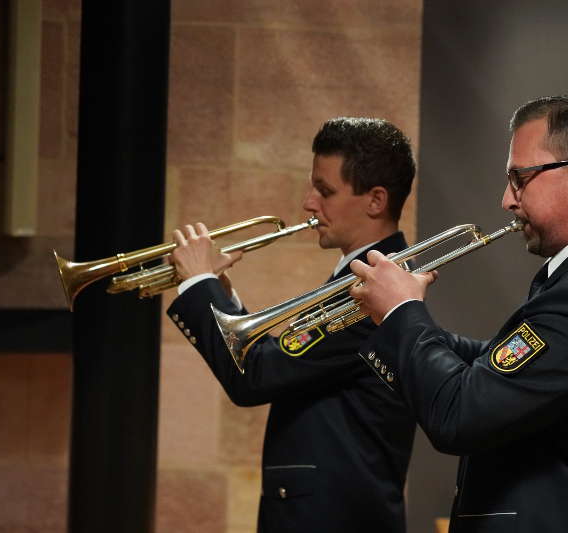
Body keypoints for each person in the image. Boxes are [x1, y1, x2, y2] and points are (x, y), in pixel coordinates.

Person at [349, 94, 568, 532]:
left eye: (520, 178)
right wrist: (393, 323)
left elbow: (459, 417)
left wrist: (405, 313)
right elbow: (500, 367)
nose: (506, 199)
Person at [166, 117, 417, 533]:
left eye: (325, 190)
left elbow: (256, 375)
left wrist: (197, 284)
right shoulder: (359, 280)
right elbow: (285, 360)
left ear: (375, 200)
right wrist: (223, 297)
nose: (308, 203)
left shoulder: (371, 291)